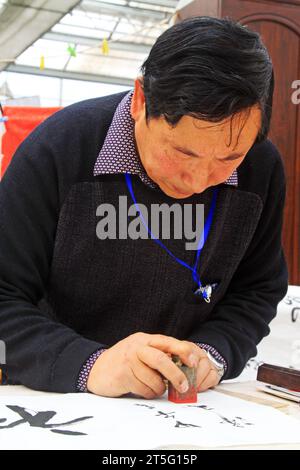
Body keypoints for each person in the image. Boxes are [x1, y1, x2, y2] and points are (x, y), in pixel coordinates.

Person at [0, 16, 288, 398]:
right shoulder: (58, 151)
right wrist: (91, 364)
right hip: (58, 394)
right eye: (183, 152)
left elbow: (257, 288)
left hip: (179, 409)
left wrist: (212, 353)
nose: (199, 180)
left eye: (228, 158)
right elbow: (4, 296)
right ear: (140, 100)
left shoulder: (260, 168)